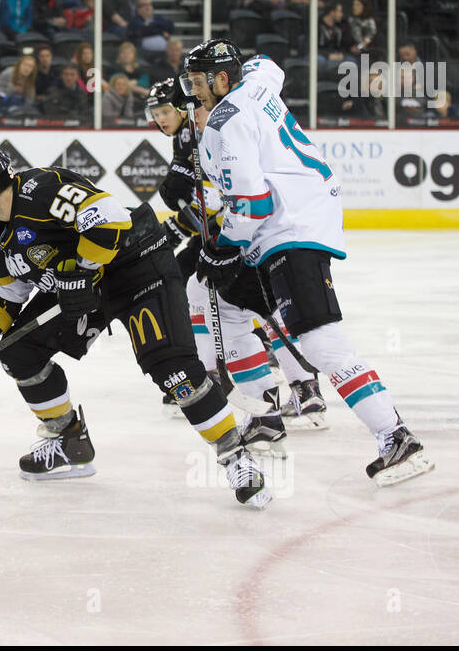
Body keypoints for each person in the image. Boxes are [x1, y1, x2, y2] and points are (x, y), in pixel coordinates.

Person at [0, 140, 272, 506]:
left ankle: (236, 456)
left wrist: (82, 270)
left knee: (174, 369)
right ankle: (69, 441)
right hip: (84, 288)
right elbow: (7, 291)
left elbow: (111, 215)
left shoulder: (40, 191)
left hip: (137, 266)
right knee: (19, 352)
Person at [181, 39, 433, 485]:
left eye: (199, 82)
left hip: (288, 229)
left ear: (222, 79)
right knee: (223, 301)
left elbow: (254, 203)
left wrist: (221, 247)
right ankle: (267, 413)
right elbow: (268, 65)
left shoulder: (225, 119)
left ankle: (395, 435)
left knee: (319, 342)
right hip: (299, 219)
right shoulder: (256, 83)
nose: (193, 94)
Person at [145, 78, 326, 439]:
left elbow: (220, 194)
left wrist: (179, 229)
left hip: (246, 230)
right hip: (235, 231)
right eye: (156, 113)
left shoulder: (211, 127)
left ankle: (296, 383)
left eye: (166, 111)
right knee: (207, 295)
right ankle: (277, 383)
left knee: (258, 304)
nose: (160, 119)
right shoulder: (187, 135)